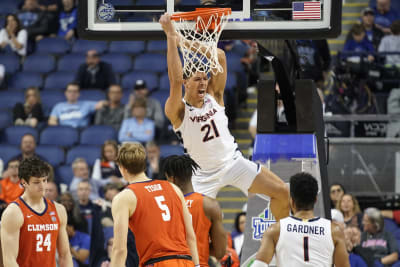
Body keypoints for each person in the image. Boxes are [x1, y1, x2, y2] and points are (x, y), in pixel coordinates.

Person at [159, 13, 289, 220]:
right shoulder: (178, 110)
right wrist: (171, 38)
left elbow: (219, 56)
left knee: (282, 192)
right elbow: (174, 80)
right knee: (187, 225)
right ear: (186, 83)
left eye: (205, 78)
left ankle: (279, 242)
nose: (203, 83)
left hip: (233, 163)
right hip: (203, 175)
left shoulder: (214, 96)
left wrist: (184, 41)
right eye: (197, 79)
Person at [110, 142, 200, 267]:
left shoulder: (124, 197)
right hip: (186, 261)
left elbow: (119, 249)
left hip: (157, 262)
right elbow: (190, 236)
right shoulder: (173, 188)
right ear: (144, 164)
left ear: (122, 168)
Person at [252, 172, 350, 267]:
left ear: (291, 200)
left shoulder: (275, 230)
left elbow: (259, 264)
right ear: (315, 199)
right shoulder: (334, 231)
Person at [0, 157, 73, 267]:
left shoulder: (59, 210)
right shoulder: (13, 212)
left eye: (44, 180)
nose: (43, 186)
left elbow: (65, 254)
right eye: (36, 182)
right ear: (24, 182)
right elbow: (9, 260)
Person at [164, 155, 227, 266]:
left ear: (172, 178)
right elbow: (220, 252)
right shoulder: (209, 205)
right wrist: (201, 248)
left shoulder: (161, 204)